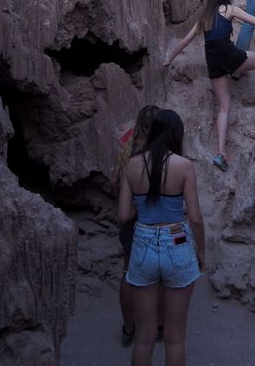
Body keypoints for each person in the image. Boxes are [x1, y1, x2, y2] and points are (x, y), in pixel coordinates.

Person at [164, 0, 255, 172]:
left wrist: (169, 59)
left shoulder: (204, 18)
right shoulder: (229, 9)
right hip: (229, 56)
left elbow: (184, 41)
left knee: (224, 107)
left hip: (213, 62)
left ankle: (221, 154)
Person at [118, 109, 205, 366]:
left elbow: (123, 215)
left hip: (142, 242)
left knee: (144, 338)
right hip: (176, 242)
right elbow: (196, 218)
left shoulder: (132, 164)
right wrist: (201, 252)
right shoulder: (184, 165)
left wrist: (143, 205)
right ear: (176, 134)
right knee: (175, 338)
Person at [112, 105, 162, 347]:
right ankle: (159, 324)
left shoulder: (126, 145)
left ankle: (129, 327)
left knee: (128, 274)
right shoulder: (158, 150)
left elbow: (115, 182)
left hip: (129, 222)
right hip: (150, 218)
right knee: (160, 274)